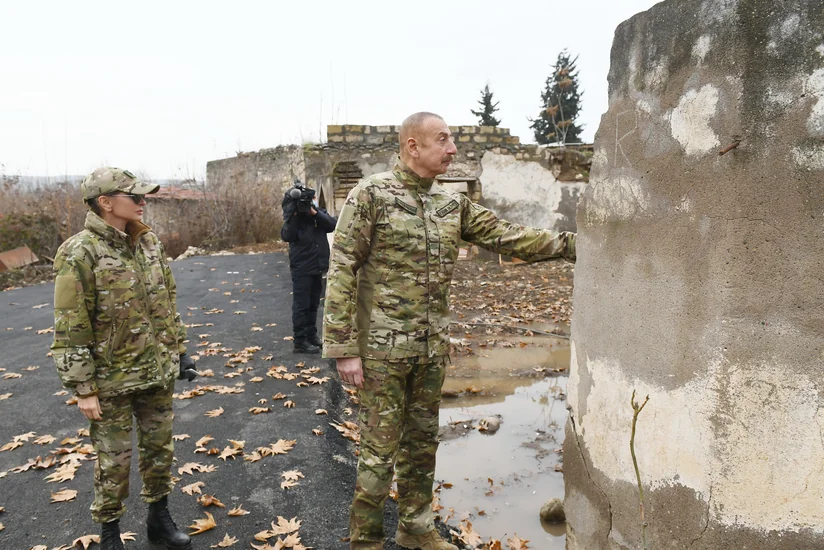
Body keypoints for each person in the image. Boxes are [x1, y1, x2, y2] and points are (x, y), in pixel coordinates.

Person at [323, 112, 576, 550]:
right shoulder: (371, 195)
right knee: (379, 454)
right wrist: (344, 348)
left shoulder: (450, 204)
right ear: (413, 146)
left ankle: (415, 528)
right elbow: (342, 268)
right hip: (382, 353)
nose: (453, 149)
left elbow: (506, 235)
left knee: (422, 446)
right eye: (443, 140)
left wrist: (573, 245)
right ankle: (366, 540)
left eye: (452, 140)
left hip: (430, 350)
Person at [51, 167, 198, 550]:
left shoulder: (149, 243)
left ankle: (158, 520)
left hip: (156, 371)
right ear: (105, 202)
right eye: (134, 196)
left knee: (160, 452)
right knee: (113, 463)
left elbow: (166, 303)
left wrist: (180, 351)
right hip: (110, 380)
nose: (142, 201)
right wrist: (83, 387)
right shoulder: (79, 252)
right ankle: (110, 533)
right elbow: (70, 325)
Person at [281, 182, 337, 353]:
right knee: (301, 305)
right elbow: (287, 235)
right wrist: (295, 216)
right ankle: (300, 341)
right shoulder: (293, 218)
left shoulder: (317, 213)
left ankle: (312, 336)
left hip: (317, 265)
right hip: (302, 267)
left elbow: (332, 225)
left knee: (314, 304)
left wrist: (314, 213)